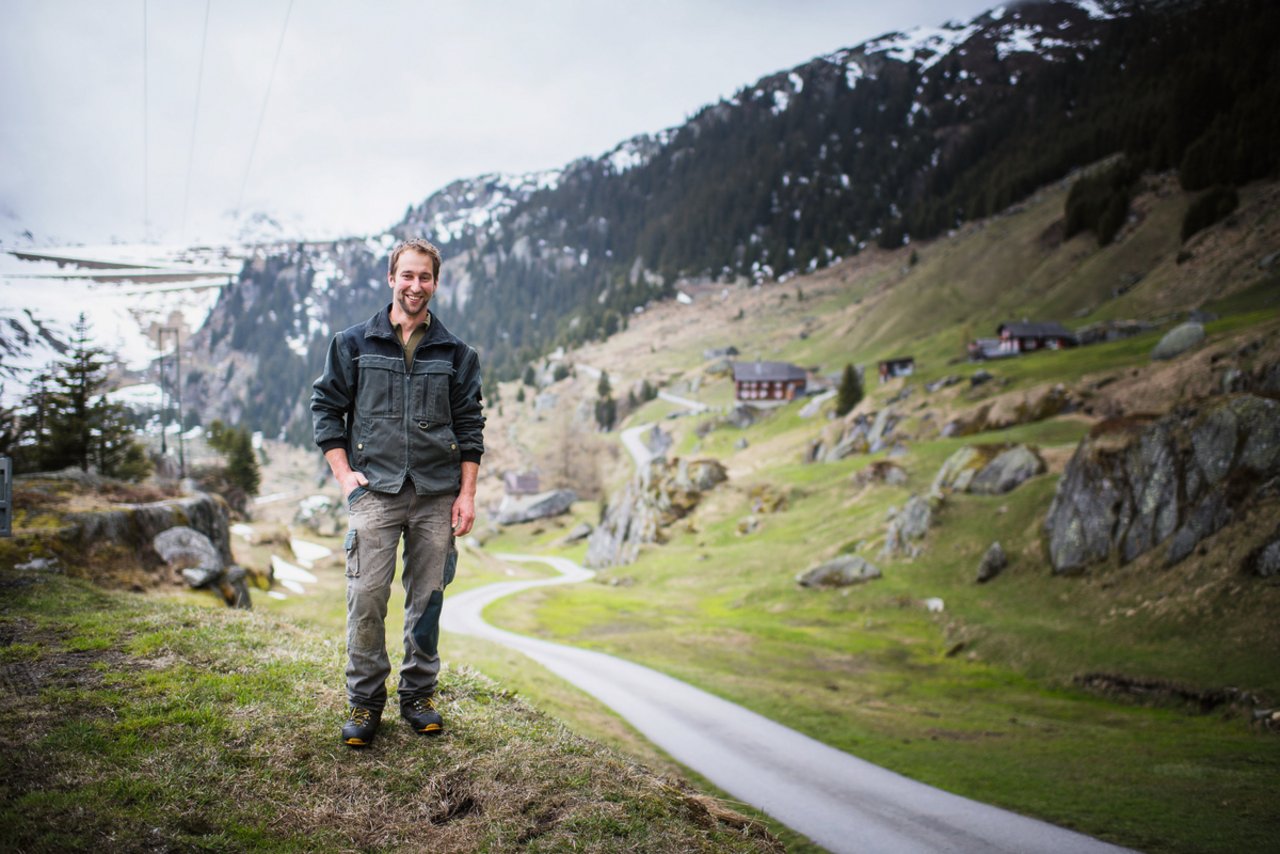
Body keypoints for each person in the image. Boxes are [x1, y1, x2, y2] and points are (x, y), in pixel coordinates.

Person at [311, 238, 485, 748]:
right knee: (366, 597)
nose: (415, 286)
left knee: (427, 601)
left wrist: (466, 494)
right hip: (375, 492)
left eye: (424, 277)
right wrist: (344, 477)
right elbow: (327, 410)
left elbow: (471, 427)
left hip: (436, 494)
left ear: (435, 282)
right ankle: (365, 704)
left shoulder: (456, 354)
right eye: (406, 276)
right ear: (392, 278)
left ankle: (418, 695)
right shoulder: (353, 344)